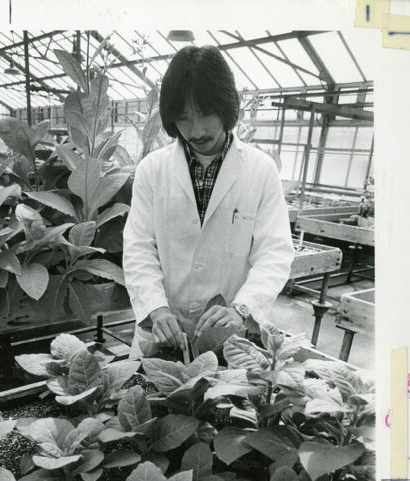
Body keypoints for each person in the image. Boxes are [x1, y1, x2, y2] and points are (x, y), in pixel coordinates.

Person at [123, 45, 295, 357]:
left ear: (226, 107)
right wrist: (156, 308)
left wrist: (242, 309)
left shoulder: (260, 169)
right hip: (164, 331)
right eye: (184, 118)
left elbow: (275, 252)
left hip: (230, 335)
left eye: (205, 114)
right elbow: (138, 246)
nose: (197, 130)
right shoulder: (152, 169)